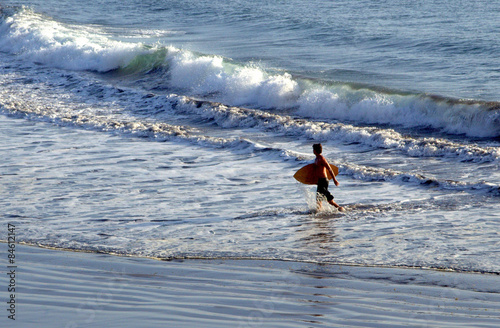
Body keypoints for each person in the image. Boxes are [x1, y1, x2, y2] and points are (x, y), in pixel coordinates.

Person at [313, 143, 345, 212]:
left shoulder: (322, 158)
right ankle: (319, 211)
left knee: (325, 199)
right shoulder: (316, 159)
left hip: (324, 180)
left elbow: (329, 169)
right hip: (320, 181)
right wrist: (316, 181)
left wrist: (334, 180)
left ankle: (340, 208)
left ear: (315, 150)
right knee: (320, 198)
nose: (313, 151)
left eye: (313, 149)